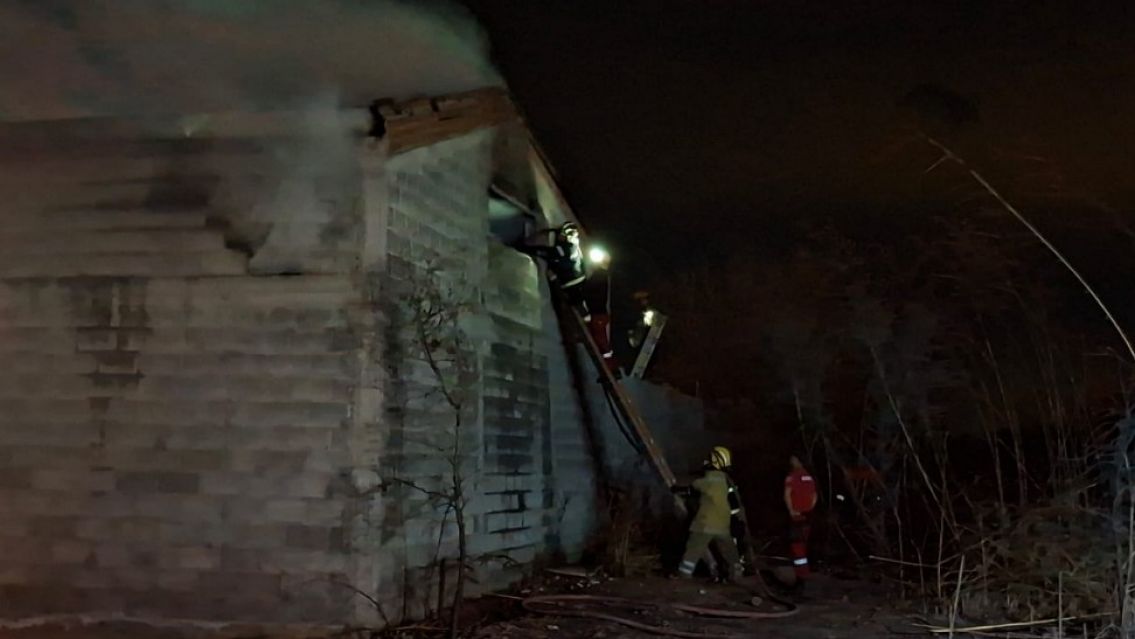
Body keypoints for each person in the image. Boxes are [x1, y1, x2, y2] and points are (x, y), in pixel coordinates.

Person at [674, 446, 743, 581]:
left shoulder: (709, 479)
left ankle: (684, 574)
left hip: (705, 523)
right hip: (723, 524)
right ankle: (736, 573)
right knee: (730, 551)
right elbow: (734, 503)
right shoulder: (727, 482)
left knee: (693, 549)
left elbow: (694, 487)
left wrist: (678, 489)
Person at [520, 222, 588, 317]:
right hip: (579, 279)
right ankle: (583, 317)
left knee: (570, 305)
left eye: (562, 234)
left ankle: (575, 319)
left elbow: (548, 253)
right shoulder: (574, 246)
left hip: (570, 281)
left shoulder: (564, 248)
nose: (560, 236)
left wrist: (525, 248)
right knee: (579, 304)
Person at [784, 454, 818, 586]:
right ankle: (804, 571)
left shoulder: (793, 476)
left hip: (797, 515)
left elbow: (787, 494)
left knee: (797, 545)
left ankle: (801, 575)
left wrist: (791, 510)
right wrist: (809, 508)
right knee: (803, 542)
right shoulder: (808, 476)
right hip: (808, 515)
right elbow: (814, 496)